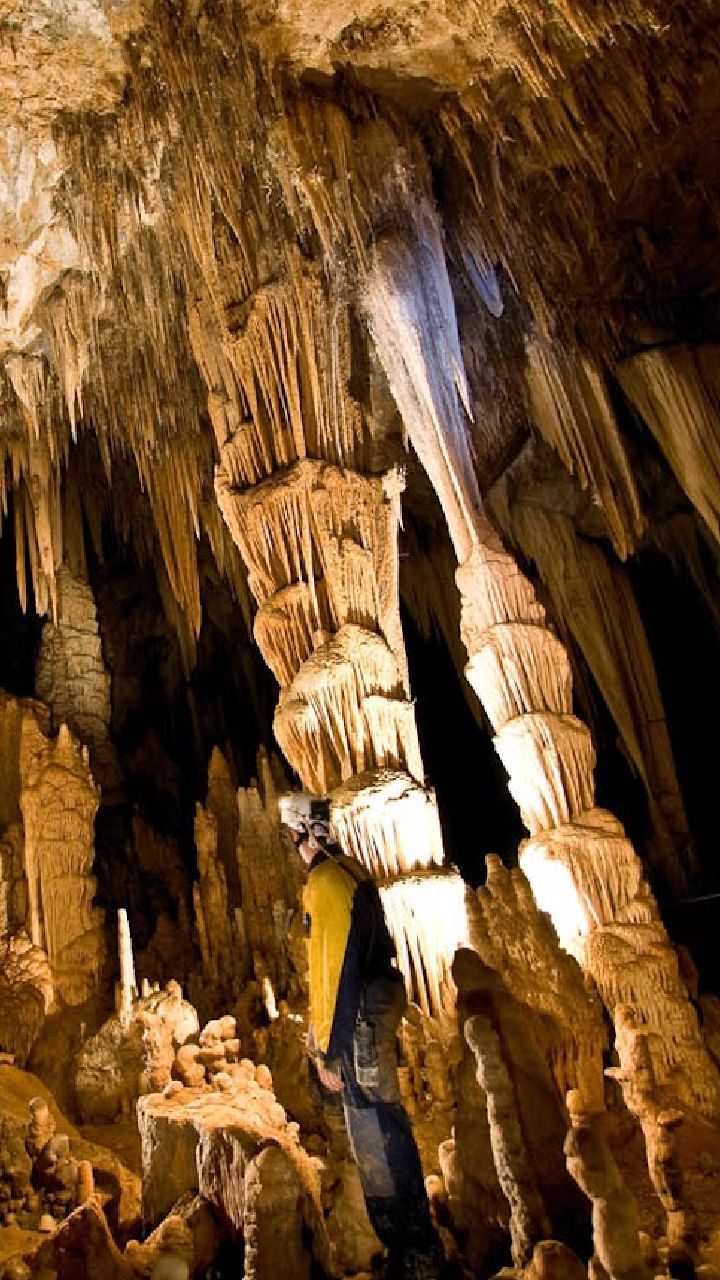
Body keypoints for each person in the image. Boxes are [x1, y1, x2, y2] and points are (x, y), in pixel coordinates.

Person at [279, 791, 449, 1280]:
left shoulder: (327, 882)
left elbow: (333, 970)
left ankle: (411, 1252)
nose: (294, 846)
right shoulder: (353, 872)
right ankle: (416, 1244)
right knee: (386, 1123)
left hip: (356, 1025)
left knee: (373, 1131)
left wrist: (328, 1051)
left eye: (293, 836)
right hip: (375, 1009)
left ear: (304, 835)